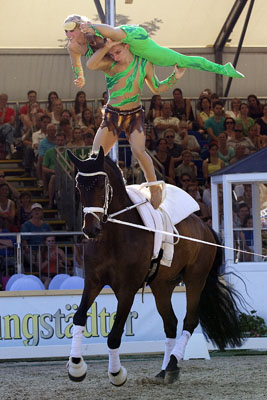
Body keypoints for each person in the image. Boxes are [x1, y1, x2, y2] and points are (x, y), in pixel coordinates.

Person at [83, 37, 185, 208]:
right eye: (111, 53)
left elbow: (157, 88)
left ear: (127, 46)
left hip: (134, 115)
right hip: (112, 115)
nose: (114, 56)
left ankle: (154, 187)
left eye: (118, 51)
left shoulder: (143, 64)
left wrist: (175, 77)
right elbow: (90, 65)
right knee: (95, 156)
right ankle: (100, 192)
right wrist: (106, 47)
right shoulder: (110, 64)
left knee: (138, 150)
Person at [63, 14, 244, 90]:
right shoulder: (73, 47)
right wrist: (80, 77)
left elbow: (117, 33)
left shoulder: (95, 32)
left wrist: (94, 27)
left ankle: (223, 68)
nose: (67, 34)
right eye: (65, 30)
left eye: (71, 29)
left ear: (81, 28)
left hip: (132, 39)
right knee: (157, 83)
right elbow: (76, 63)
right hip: (122, 52)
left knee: (179, 60)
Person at [42, 132, 66, 208]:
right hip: (53, 173)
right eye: (58, 140)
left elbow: (72, 165)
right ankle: (50, 202)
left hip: (66, 174)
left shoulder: (68, 152)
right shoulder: (49, 152)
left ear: (65, 141)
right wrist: (52, 171)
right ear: (55, 141)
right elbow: (44, 167)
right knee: (53, 178)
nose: (60, 142)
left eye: (62, 140)